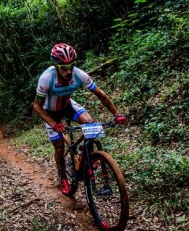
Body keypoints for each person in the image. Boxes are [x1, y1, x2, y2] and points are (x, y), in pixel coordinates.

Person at [33, 43, 126, 195]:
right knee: (59, 146)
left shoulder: (79, 74)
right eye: (64, 67)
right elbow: (36, 106)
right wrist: (53, 123)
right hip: (50, 112)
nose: (69, 71)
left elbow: (100, 94)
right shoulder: (46, 78)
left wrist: (117, 114)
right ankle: (63, 176)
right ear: (55, 66)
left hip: (68, 105)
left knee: (89, 122)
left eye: (72, 66)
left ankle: (87, 156)